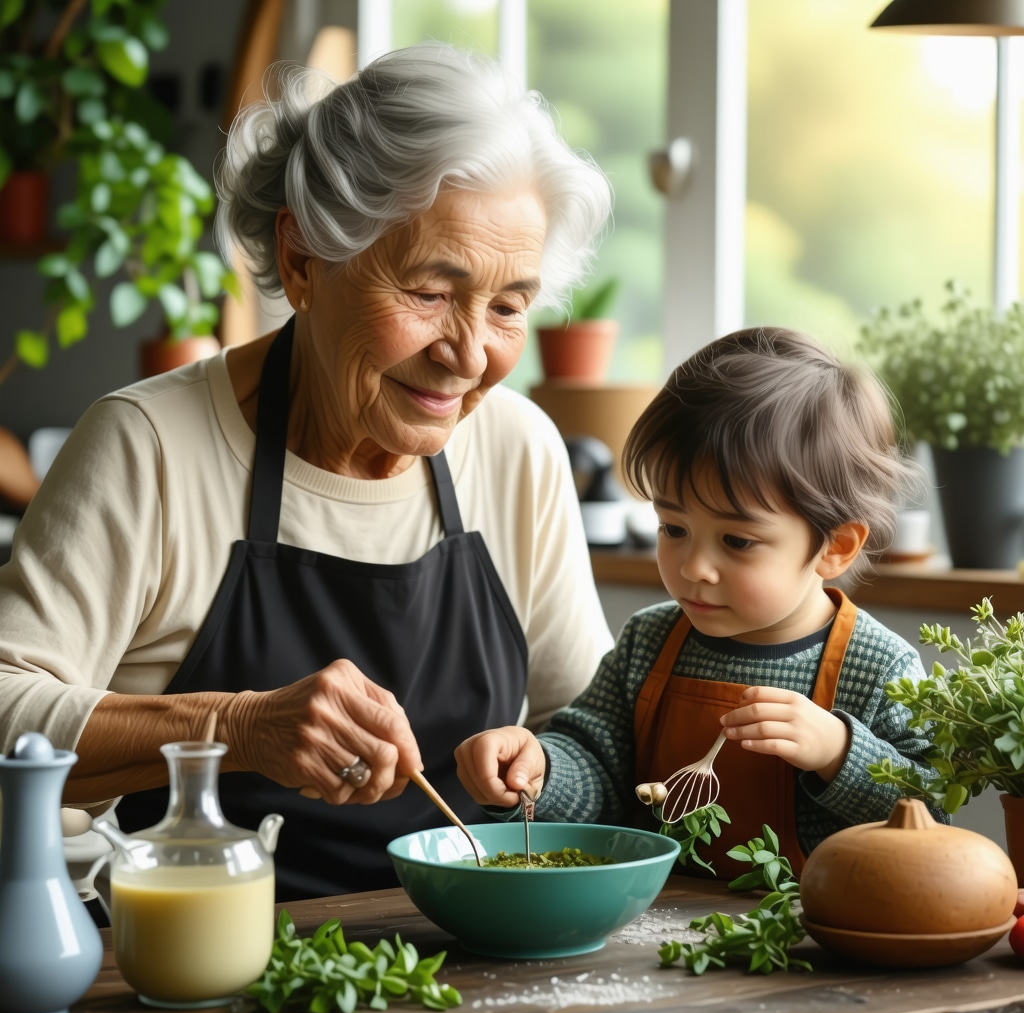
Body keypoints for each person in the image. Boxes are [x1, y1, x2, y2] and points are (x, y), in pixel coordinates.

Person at [0, 43, 614, 899]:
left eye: (508, 306)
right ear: (302, 262)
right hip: (206, 955)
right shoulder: (149, 447)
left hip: (468, 960)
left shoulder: (518, 448)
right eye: (430, 294)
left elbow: (591, 731)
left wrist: (548, 763)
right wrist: (236, 726)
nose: (468, 355)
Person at [455, 327, 947, 877]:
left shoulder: (881, 668)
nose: (692, 567)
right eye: (673, 527)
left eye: (736, 541)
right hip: (646, 935)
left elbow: (933, 817)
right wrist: (540, 768)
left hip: (806, 944)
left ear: (835, 547)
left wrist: (839, 751)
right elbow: (595, 766)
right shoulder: (650, 641)